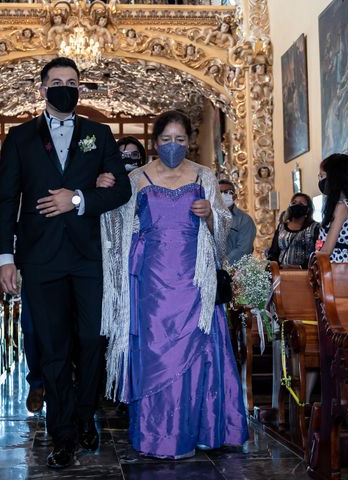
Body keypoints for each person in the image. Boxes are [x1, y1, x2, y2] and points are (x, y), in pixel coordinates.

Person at [0, 57, 131, 469]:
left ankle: (86, 410)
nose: (64, 88)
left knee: (91, 340)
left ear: (80, 90)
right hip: (41, 258)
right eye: (56, 82)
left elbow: (120, 189)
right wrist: (5, 258)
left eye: (71, 82)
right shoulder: (19, 138)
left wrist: (79, 197)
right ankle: (63, 435)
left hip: (89, 256)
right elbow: (5, 201)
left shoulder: (99, 134)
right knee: (53, 349)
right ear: (42, 89)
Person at [101, 110, 248, 460]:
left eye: (180, 140)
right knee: (155, 352)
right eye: (166, 140)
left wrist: (211, 215)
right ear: (155, 142)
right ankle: (159, 433)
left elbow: (225, 230)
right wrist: (103, 196)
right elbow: (118, 229)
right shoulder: (137, 177)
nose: (173, 146)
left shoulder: (204, 175)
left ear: (189, 142)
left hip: (195, 278)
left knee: (199, 353)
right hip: (152, 278)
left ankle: (201, 429)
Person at [316, 153, 348, 263]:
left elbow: (327, 250)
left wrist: (313, 261)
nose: (320, 180)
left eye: (322, 176)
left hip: (337, 264)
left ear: (334, 177)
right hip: (344, 262)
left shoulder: (341, 207)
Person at [267, 193, 319, 269]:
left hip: (306, 273)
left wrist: (299, 267)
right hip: (281, 272)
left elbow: (317, 253)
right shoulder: (281, 227)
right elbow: (274, 251)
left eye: (301, 204)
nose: (296, 205)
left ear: (308, 209)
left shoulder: (315, 228)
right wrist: (275, 266)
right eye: (294, 203)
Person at [218, 179, 256, 265]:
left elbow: (244, 249)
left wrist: (223, 264)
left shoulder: (244, 220)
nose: (223, 195)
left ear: (234, 197)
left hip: (235, 271)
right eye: (220, 192)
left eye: (228, 192)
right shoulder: (208, 217)